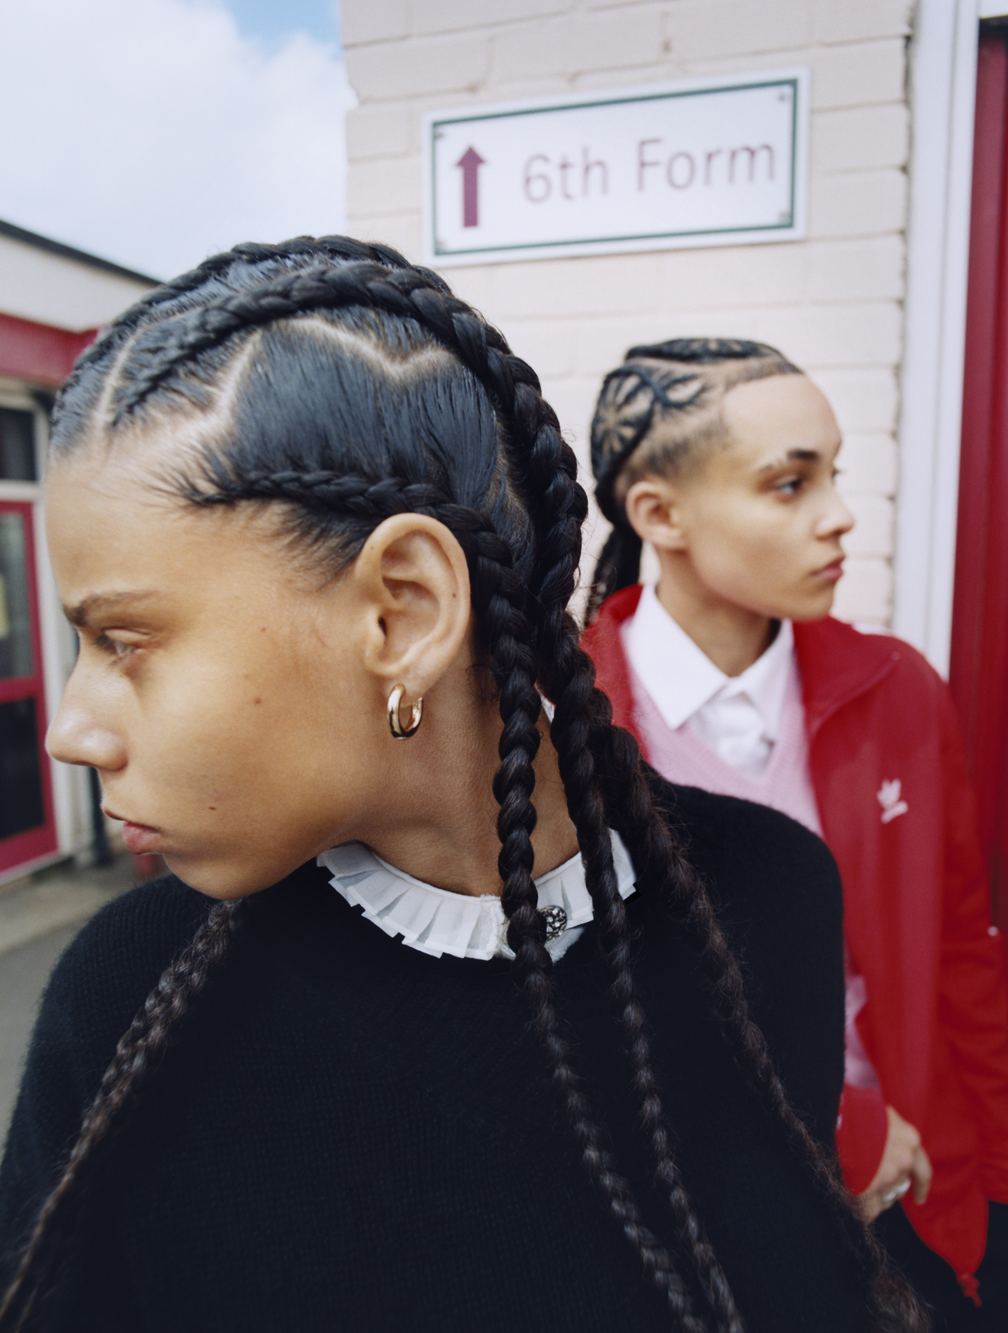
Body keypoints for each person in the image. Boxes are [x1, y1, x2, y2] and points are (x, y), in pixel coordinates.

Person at [0, 245, 922, 1333]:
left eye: (122, 639)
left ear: (402, 612)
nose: (70, 732)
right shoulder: (130, 998)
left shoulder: (768, 897)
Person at [581, 337, 1008, 1331]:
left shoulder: (898, 691)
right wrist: (841, 1127)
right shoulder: (573, 730)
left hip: (921, 1200)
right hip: (698, 1217)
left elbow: (960, 954)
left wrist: (992, 1178)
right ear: (659, 513)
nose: (839, 515)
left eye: (835, 474)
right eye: (789, 484)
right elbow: (594, 1015)